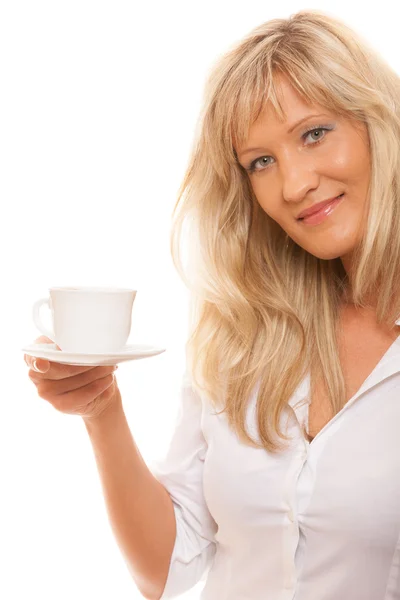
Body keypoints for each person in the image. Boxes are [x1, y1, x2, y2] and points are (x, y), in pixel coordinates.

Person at [24, 8, 400, 600]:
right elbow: (166, 569)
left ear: (378, 124)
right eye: (261, 162)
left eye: (314, 133)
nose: (294, 183)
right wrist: (101, 408)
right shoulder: (243, 329)